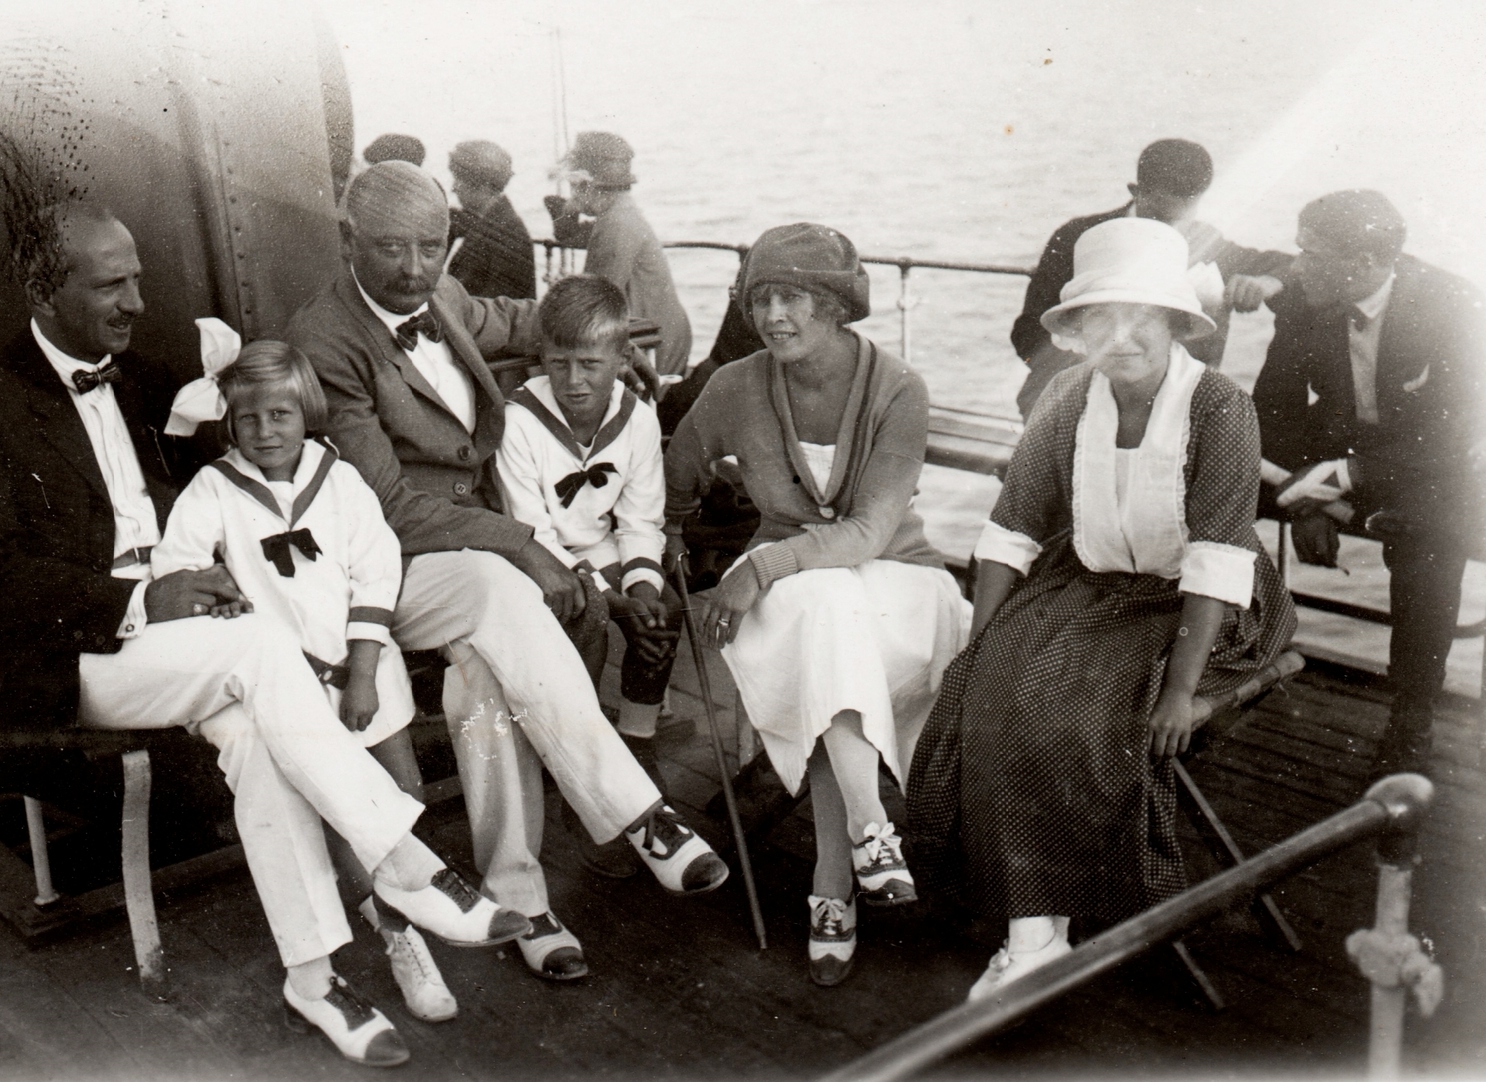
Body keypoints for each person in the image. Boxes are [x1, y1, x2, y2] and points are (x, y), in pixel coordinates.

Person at [0, 201, 534, 1068]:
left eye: (137, 276)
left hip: (200, 645)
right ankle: (401, 861)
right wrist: (143, 600)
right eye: (111, 285)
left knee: (256, 733)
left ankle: (315, 978)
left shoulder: (143, 377)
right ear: (42, 290)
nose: (136, 301)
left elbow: (263, 454)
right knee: (260, 655)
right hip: (77, 655)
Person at [284, 161, 729, 984]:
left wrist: (602, 339)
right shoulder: (325, 342)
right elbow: (386, 506)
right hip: (392, 564)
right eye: (391, 248)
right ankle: (640, 814)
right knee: (500, 586)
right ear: (349, 240)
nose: (415, 268)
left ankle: (522, 902)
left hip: (471, 554)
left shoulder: (437, 299)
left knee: (484, 682)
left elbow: (509, 316)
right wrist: (518, 540)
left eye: (430, 246)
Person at [907, 217, 1296, 1003]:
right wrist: (982, 644)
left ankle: (1045, 928)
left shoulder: (1220, 406)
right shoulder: (1064, 395)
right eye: (1101, 321)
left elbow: (1218, 559)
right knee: (984, 691)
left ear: (1176, 324)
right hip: (1094, 588)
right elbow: (1012, 527)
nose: (1120, 338)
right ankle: (1033, 920)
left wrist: (1184, 691)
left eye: (1141, 319)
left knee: (1073, 713)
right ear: (1078, 331)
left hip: (1206, 610)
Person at [665, 223, 972, 987]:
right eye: (761, 297)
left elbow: (870, 530)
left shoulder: (898, 387)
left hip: (899, 584)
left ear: (835, 305)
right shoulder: (735, 386)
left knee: (832, 619)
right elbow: (674, 475)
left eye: (793, 297)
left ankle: (835, 882)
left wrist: (760, 565)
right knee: (828, 610)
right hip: (804, 597)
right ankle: (868, 838)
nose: (775, 316)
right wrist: (667, 541)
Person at [156, 335, 457, 1023]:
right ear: (230, 422)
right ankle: (397, 937)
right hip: (287, 691)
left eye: (281, 416)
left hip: (362, 671)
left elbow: (377, 568)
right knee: (338, 816)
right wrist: (210, 588)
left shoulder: (340, 479)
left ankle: (397, 914)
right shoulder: (214, 490)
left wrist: (364, 667)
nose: (266, 431)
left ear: (305, 414)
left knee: (398, 797)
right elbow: (173, 571)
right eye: (250, 418)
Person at [1252, 190, 1486, 780]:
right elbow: (1272, 412)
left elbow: (1454, 437)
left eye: (1310, 254)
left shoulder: (1456, 305)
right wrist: (1302, 497)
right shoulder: (1307, 300)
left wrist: (1345, 479)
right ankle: (1228, 654)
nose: (1295, 266)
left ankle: (1412, 717)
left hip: (1433, 468)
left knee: (1429, 543)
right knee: (1212, 487)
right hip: (1335, 455)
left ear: (1362, 264)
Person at [494, 275, 683, 876]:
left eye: (591, 365)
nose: (575, 381)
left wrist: (644, 590)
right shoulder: (519, 419)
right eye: (560, 363)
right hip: (541, 560)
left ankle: (637, 743)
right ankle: (585, 771)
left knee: (663, 618)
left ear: (622, 359)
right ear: (542, 358)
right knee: (589, 623)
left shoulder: (638, 419)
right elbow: (533, 531)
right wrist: (607, 597)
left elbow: (640, 520)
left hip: (605, 548)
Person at [1010, 138, 1294, 418]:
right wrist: (1103, 377)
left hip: (1167, 404)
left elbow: (1288, 265)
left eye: (1178, 222)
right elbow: (1027, 332)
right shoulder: (1077, 237)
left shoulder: (1206, 243)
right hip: (1075, 389)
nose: (1165, 234)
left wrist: (1267, 282)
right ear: (1136, 190)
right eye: (1158, 218)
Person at [545, 132, 693, 376]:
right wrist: (568, 215)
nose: (572, 193)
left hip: (653, 346)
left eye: (574, 186)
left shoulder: (615, 224)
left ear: (587, 185)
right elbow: (580, 237)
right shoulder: (620, 213)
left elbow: (591, 305)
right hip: (661, 333)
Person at [447, 140, 536, 300]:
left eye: (458, 180)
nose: (453, 188)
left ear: (483, 185)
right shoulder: (491, 222)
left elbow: (499, 306)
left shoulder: (508, 233)